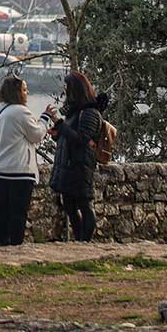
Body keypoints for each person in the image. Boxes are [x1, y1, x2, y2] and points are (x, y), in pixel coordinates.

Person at [0, 74, 48, 247]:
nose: (27, 93)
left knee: (2, 212)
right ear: (16, 92)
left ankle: (1, 245)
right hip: (19, 171)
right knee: (18, 213)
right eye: (24, 89)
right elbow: (37, 135)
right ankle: (16, 247)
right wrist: (45, 119)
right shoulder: (21, 112)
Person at [49, 71, 108, 242]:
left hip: (81, 166)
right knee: (69, 205)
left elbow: (82, 139)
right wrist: (57, 134)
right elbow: (69, 135)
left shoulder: (90, 113)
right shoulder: (74, 112)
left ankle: (85, 241)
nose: (65, 91)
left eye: (67, 87)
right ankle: (79, 239)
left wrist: (59, 123)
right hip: (69, 165)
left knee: (84, 204)